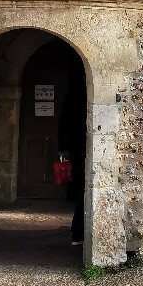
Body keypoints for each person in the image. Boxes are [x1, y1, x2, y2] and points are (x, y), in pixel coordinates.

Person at [58, 81, 87, 245]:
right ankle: (78, 232)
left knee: (80, 189)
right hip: (79, 148)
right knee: (82, 190)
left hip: (75, 147)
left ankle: (77, 230)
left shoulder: (73, 95)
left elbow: (64, 122)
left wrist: (62, 147)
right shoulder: (78, 95)